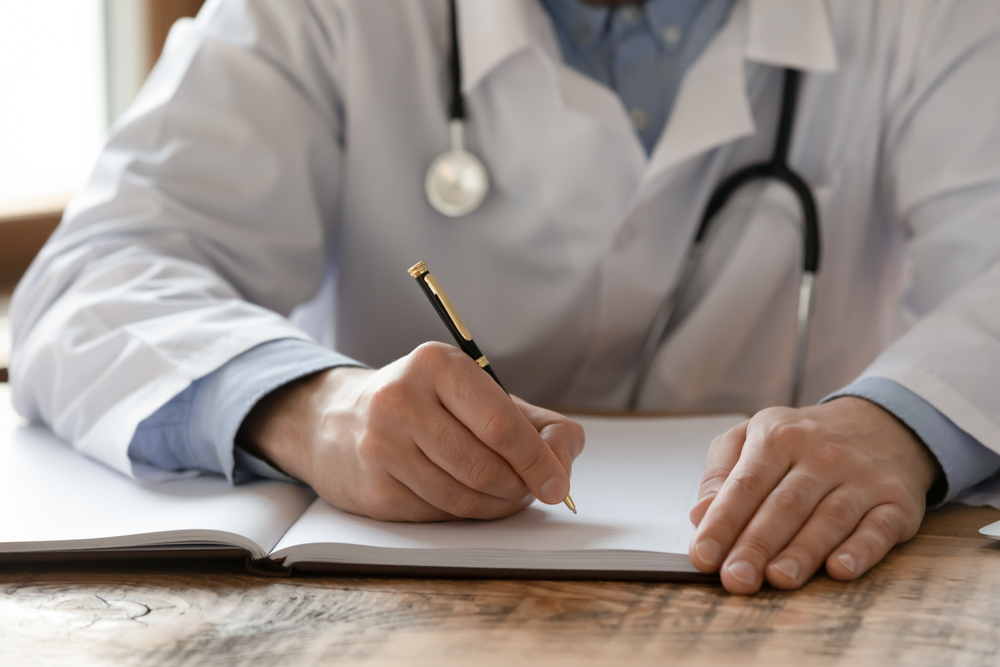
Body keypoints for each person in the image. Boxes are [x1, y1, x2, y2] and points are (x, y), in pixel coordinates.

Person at [9, 0, 1000, 595]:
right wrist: (311, 407)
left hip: (794, 605)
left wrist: (899, 426)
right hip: (392, 616)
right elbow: (94, 276)